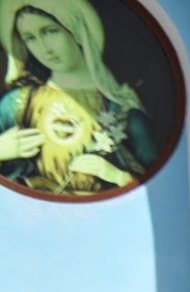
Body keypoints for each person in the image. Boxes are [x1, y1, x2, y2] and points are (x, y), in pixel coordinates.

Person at [0, 0, 158, 196]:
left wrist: (116, 176)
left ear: (75, 30)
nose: (43, 47)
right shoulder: (18, 103)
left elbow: (159, 188)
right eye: (30, 38)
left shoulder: (122, 109)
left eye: (50, 31)